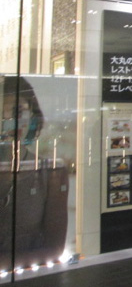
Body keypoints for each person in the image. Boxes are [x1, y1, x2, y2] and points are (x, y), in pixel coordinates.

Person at [0, 76, 68, 269]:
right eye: (1, 113)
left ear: (32, 114)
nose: (10, 121)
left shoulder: (51, 173)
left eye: (18, 111)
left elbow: (54, 249)